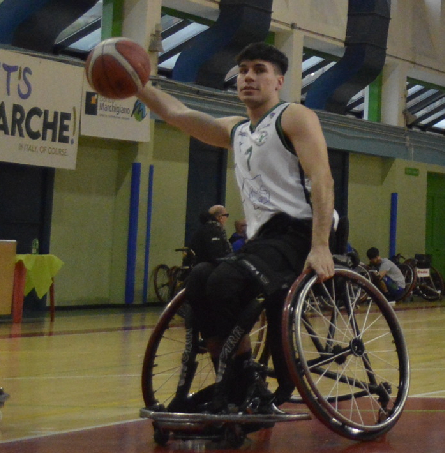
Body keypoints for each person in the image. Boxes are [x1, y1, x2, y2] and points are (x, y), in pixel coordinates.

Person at [133, 42, 339, 412]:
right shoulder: (238, 130)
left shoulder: (294, 116)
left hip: (301, 230)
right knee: (199, 278)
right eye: (243, 70)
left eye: (259, 70)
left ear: (279, 81)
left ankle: (242, 385)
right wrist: (138, 86)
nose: (248, 77)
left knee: (225, 280)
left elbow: (322, 178)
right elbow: (179, 114)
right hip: (264, 240)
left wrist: (321, 245)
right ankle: (238, 380)